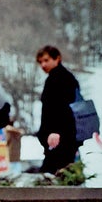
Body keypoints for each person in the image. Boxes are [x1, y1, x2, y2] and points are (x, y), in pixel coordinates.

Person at [35, 45, 80, 173]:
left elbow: (63, 109)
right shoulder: (61, 77)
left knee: (53, 178)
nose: (43, 65)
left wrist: (55, 131)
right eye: (40, 62)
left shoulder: (60, 79)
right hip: (62, 137)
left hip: (59, 138)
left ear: (57, 59)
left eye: (46, 60)